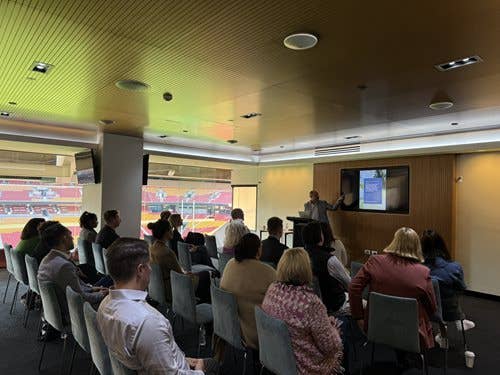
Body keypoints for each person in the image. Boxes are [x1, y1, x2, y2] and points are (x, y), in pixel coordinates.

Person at [97, 238, 218, 374]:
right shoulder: (149, 322)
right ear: (140, 270)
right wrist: (200, 371)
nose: (151, 269)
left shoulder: (104, 305)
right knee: (215, 366)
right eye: (149, 265)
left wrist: (181, 359)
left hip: (162, 363)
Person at [349, 227, 437, 349]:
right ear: (417, 246)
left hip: (376, 327)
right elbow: (432, 309)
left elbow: (354, 288)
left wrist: (358, 317)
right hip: (411, 335)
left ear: (394, 241)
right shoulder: (423, 273)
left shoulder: (375, 261)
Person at [262, 248, 343, 374]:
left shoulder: (272, 290)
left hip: (276, 359)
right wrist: (333, 327)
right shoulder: (311, 303)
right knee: (343, 332)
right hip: (304, 368)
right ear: (307, 269)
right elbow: (331, 346)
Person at [37, 222, 108, 314]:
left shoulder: (47, 259)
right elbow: (81, 298)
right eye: (70, 235)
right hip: (75, 312)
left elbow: (74, 289)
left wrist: (93, 289)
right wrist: (102, 294)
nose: (72, 238)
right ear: (64, 238)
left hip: (59, 309)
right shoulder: (64, 266)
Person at [221, 233, 276, 350]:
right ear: (257, 251)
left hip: (232, 328)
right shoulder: (268, 272)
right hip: (258, 333)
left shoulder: (230, 264)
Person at [421, 229, 474, 331]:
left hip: (426, 310)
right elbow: (462, 288)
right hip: (450, 311)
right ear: (442, 245)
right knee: (451, 292)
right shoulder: (454, 267)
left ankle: (443, 333)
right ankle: (460, 320)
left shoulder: (418, 268)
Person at [148, 220, 210, 303]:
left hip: (160, 287)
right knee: (206, 276)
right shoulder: (167, 252)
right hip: (172, 288)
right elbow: (180, 275)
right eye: (170, 228)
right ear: (166, 232)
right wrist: (188, 274)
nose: (172, 230)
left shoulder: (152, 248)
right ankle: (196, 302)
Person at [302, 221, 349, 313]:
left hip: (308, 305)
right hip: (334, 306)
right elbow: (349, 284)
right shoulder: (329, 259)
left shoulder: (300, 256)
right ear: (320, 237)